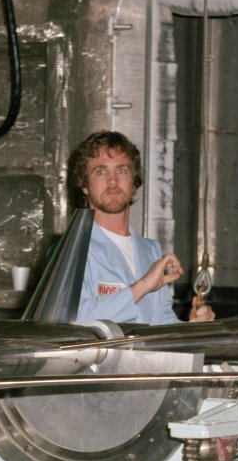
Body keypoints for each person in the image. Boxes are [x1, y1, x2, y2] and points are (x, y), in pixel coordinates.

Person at [68, 130, 214, 325]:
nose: (112, 181)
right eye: (100, 171)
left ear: (134, 183)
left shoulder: (150, 250)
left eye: (121, 170)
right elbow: (72, 321)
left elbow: (160, 323)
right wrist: (143, 285)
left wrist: (193, 328)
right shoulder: (72, 249)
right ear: (84, 185)